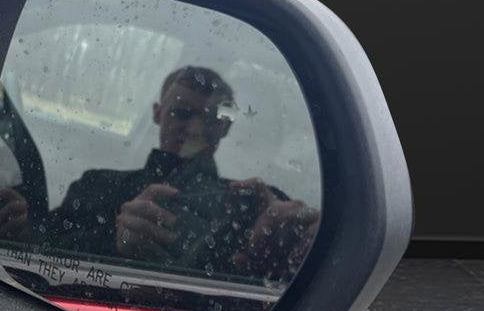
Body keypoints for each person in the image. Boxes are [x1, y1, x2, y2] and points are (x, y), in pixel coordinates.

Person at [41, 65, 319, 283]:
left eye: (210, 119)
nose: (196, 129)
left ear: (225, 127)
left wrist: (299, 236)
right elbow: (43, 252)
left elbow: (303, 272)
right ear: (158, 113)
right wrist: (114, 242)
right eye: (182, 114)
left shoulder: (254, 203)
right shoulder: (96, 186)